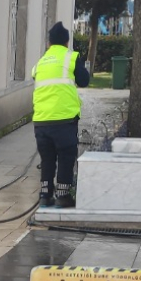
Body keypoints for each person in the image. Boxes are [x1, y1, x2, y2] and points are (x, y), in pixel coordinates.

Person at [31, 22, 90, 209]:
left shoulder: (41, 62)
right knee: (66, 156)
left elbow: (35, 76)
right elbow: (84, 81)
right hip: (64, 119)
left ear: (49, 43)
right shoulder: (71, 57)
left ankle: (44, 196)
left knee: (47, 159)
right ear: (66, 42)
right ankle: (62, 196)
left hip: (41, 121)